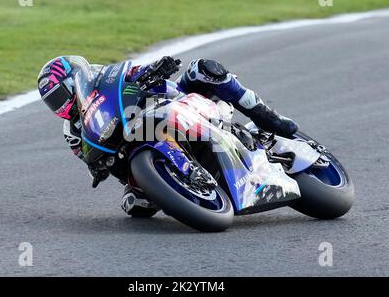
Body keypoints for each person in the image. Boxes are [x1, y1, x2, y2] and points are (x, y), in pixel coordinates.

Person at [37, 56, 298, 217]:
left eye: (60, 95)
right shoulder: (72, 131)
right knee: (136, 206)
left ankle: (268, 117)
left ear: (76, 81)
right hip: (135, 148)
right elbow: (89, 158)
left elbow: (137, 71)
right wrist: (97, 166)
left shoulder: (108, 77)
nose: (60, 106)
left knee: (204, 69)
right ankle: (179, 182)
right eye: (53, 103)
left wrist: (157, 67)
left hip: (174, 105)